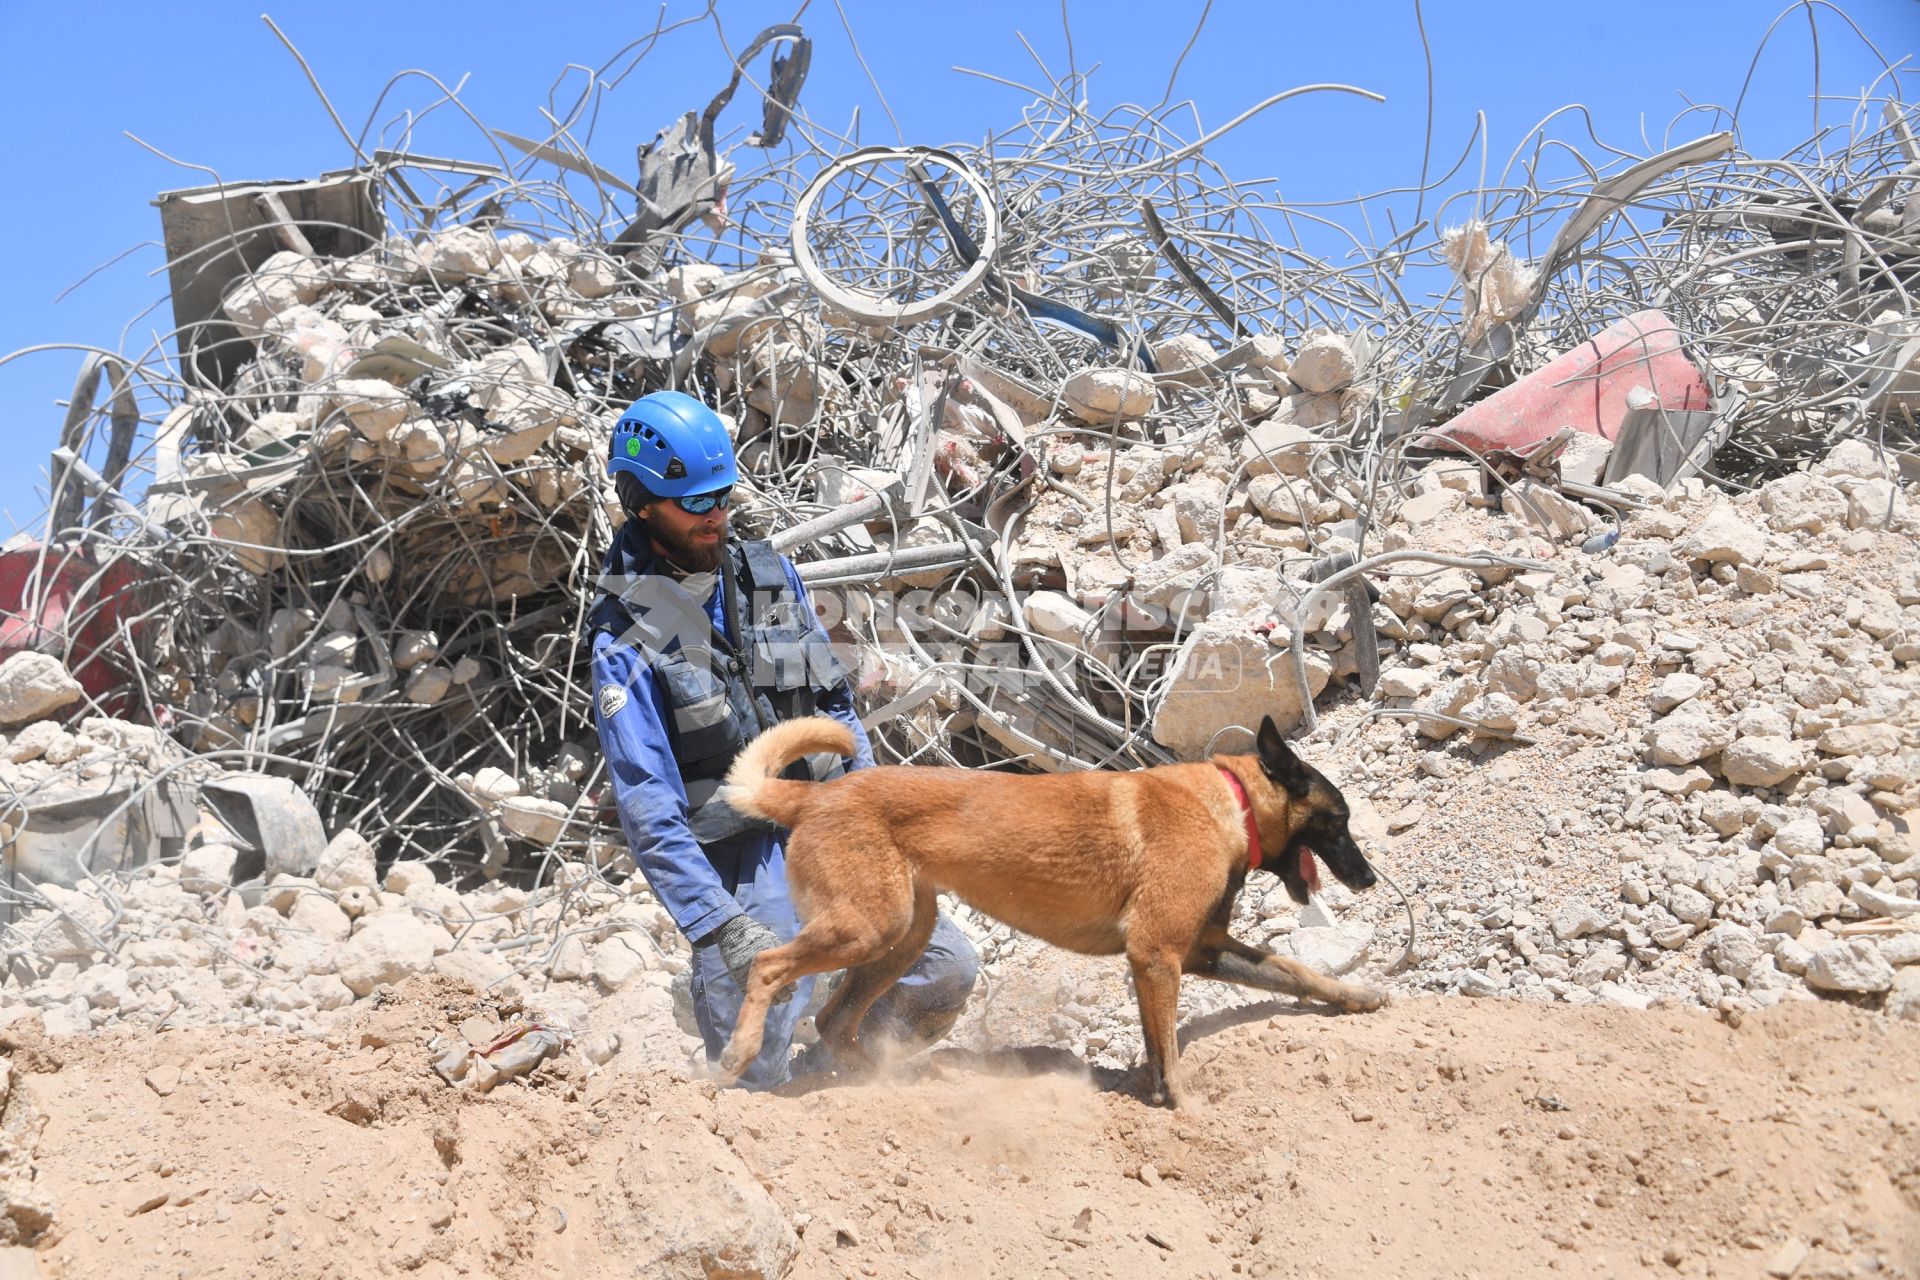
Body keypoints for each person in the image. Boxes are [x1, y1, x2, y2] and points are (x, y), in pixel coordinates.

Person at [587, 389, 979, 1089]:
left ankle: (836, 1071)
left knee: (943, 968)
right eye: (695, 503)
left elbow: (833, 702)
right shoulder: (625, 636)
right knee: (761, 1014)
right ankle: (739, 1062)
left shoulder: (767, 574)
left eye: (724, 496)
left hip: (826, 822)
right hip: (737, 857)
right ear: (640, 501)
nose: (717, 515)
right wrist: (718, 926)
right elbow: (649, 806)